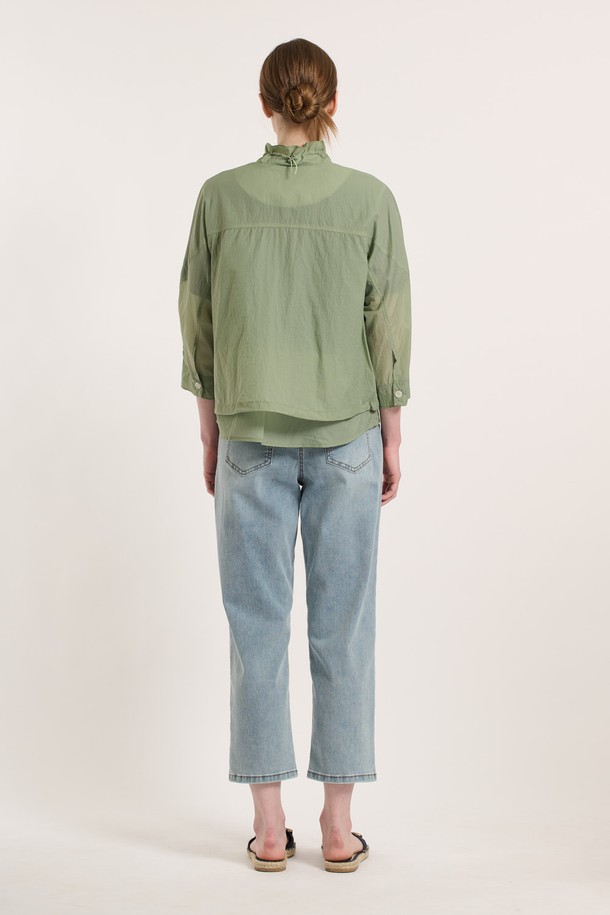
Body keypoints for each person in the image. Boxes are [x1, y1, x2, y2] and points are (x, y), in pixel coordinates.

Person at [178, 37, 412, 872]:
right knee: (344, 630)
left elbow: (199, 323)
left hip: (248, 433)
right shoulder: (371, 200)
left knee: (256, 629)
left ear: (265, 103)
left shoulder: (219, 197)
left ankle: (270, 827)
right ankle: (339, 829)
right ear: (332, 103)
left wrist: (210, 428)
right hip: (348, 434)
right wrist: (392, 432)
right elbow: (387, 325)